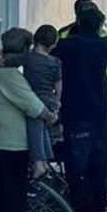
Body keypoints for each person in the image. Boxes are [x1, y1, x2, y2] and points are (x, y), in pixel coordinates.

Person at [0, 28, 57, 212]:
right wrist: (50, 116)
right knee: (14, 201)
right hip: (10, 145)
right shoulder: (10, 76)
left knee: (5, 199)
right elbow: (33, 105)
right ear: (24, 50)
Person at [52, 6, 107, 212]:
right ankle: (100, 209)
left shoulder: (66, 46)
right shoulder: (105, 45)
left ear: (78, 23)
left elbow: (45, 54)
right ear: (99, 26)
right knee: (99, 164)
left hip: (75, 112)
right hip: (99, 114)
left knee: (76, 166)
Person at [22, 25, 63, 178]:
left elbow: (6, 59)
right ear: (53, 45)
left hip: (34, 98)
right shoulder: (55, 62)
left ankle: (38, 163)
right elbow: (58, 85)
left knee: (35, 130)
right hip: (49, 99)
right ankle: (45, 161)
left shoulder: (28, 58)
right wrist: (57, 103)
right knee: (43, 130)